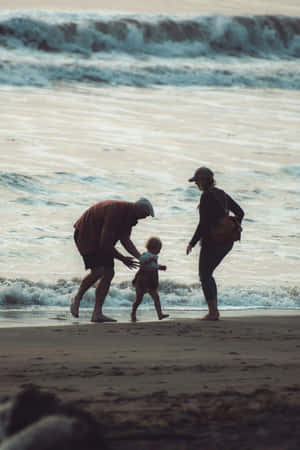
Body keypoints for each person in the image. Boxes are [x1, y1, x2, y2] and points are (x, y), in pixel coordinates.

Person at [71, 198, 155, 323]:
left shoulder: (130, 216)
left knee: (109, 272)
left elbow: (125, 239)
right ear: (138, 209)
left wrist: (140, 257)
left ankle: (97, 313)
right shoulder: (116, 211)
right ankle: (77, 298)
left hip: (100, 238)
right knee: (99, 270)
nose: (144, 218)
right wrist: (122, 259)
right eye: (145, 215)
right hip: (86, 233)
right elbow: (105, 243)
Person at [186, 167, 244, 320]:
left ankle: (213, 312)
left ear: (203, 180)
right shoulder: (222, 194)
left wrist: (192, 243)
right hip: (227, 241)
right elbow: (240, 212)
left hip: (212, 241)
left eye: (197, 181)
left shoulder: (206, 196)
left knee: (204, 275)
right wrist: (230, 226)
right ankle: (214, 311)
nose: (196, 184)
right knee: (208, 275)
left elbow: (203, 224)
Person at [131, 236, 169, 322]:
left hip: (151, 281)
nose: (159, 251)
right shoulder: (146, 255)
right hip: (142, 281)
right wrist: (151, 260)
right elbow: (143, 261)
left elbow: (153, 266)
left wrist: (159, 267)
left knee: (156, 297)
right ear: (153, 248)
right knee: (138, 299)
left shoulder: (154, 256)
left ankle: (160, 314)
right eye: (159, 249)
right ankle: (133, 313)